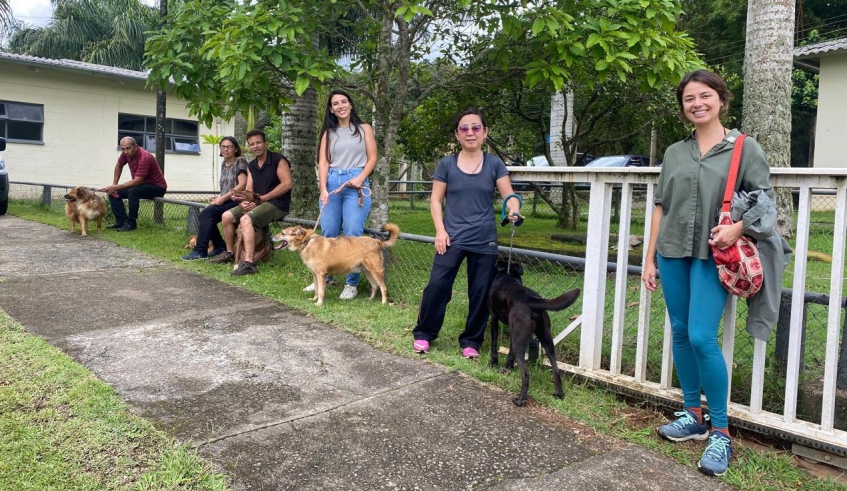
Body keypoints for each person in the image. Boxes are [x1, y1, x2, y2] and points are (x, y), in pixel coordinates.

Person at [642, 69, 789, 477]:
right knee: (681, 331)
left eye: (705, 96)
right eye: (689, 98)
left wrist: (738, 228)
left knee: (703, 336)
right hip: (672, 252)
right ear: (683, 106)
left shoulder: (745, 148)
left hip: (714, 255)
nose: (697, 104)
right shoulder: (674, 152)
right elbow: (661, 206)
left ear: (721, 100)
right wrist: (649, 258)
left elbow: (765, 202)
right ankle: (692, 414)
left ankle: (721, 431)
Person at [412, 109, 522, 359]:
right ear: (457, 134)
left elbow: (509, 196)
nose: (470, 132)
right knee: (437, 287)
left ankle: (471, 341)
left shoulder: (494, 164)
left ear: (485, 132)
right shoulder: (447, 164)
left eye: (475, 127)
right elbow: (435, 200)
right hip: (451, 238)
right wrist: (440, 231)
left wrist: (514, 209)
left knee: (481, 292)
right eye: (464, 128)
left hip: (484, 239)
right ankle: (424, 334)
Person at [306, 89, 378, 300]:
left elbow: (372, 157)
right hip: (333, 182)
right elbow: (324, 162)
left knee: (353, 232)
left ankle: (351, 284)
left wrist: (360, 177)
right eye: (335, 103)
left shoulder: (364, 129)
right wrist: (323, 190)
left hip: (356, 182)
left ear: (350, 104)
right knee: (328, 231)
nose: (340, 106)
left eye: (343, 102)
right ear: (331, 109)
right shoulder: (329, 133)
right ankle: (322, 279)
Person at [210, 129, 292, 276]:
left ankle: (249, 263)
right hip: (258, 202)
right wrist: (243, 202)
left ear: (265, 143)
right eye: (252, 144)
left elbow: (287, 184)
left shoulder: (279, 160)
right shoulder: (252, 165)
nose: (255, 146)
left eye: (258, 142)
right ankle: (229, 253)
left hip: (277, 204)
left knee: (246, 219)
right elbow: (248, 190)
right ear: (249, 146)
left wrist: (264, 198)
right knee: (226, 216)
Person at [182, 136, 249, 261]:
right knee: (206, 215)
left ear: (235, 149)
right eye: (223, 146)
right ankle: (219, 246)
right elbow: (228, 186)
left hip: (238, 201)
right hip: (227, 199)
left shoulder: (240, 161)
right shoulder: (224, 164)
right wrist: (218, 197)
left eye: (229, 147)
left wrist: (223, 198)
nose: (226, 149)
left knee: (207, 214)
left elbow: (242, 185)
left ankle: (200, 251)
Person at [103, 137, 168, 231]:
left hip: (157, 187)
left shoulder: (145, 157)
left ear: (136, 147)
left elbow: (137, 180)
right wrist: (114, 185)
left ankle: (131, 224)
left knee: (133, 191)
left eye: (128, 148)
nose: (125, 151)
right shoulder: (125, 154)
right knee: (114, 193)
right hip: (141, 185)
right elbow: (119, 165)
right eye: (123, 149)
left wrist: (115, 187)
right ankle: (121, 221)